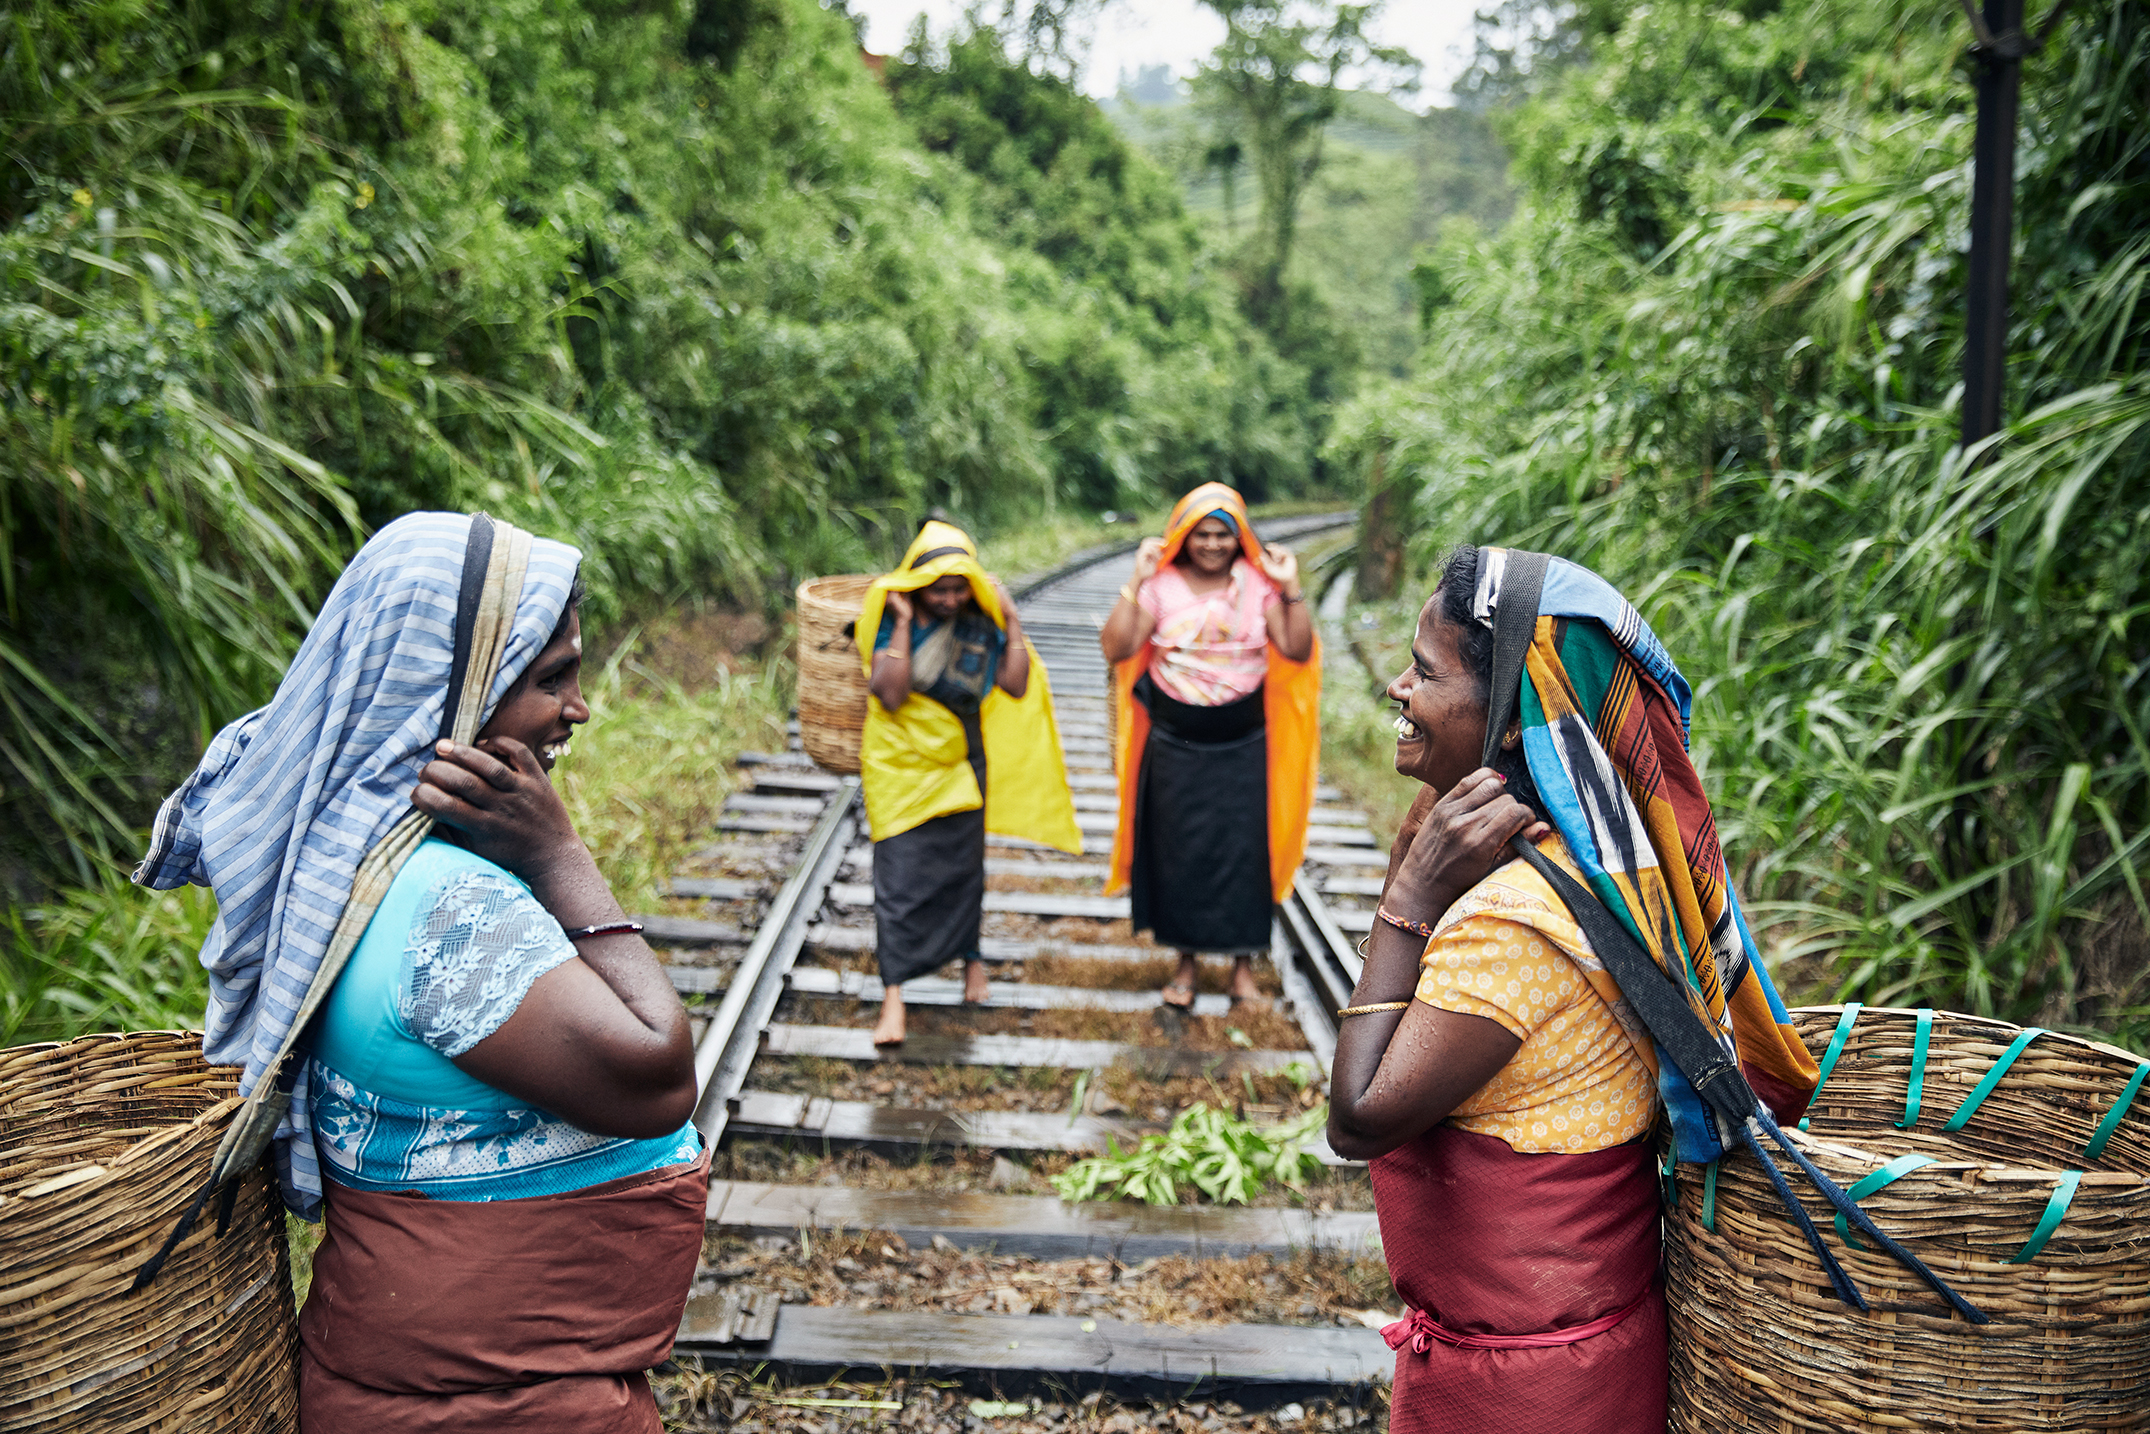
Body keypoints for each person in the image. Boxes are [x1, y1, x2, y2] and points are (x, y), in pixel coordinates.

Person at [135, 513, 705, 1432]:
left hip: (448, 1383)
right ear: (452, 692)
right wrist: (561, 856)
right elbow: (658, 1079)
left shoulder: (345, 864)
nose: (579, 707)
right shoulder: (446, 908)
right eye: (550, 677)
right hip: (497, 1402)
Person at [1324, 544, 1820, 1434]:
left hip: (1518, 1389)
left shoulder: (1511, 922)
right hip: (1593, 1352)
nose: (1399, 689)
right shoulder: (1608, 866)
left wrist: (1408, 900)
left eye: (1424, 672)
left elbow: (1358, 1116)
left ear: (1512, 720)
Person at [855, 519, 1081, 1047]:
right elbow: (889, 694)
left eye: (960, 588)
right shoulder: (890, 617)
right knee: (898, 878)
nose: (951, 599)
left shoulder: (981, 623)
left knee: (963, 869)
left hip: (962, 758)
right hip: (901, 763)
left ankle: (971, 961)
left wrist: (1012, 619)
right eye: (939, 589)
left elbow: (1016, 684)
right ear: (917, 585)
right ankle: (894, 995)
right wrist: (904, 622)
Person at [1099, 483, 1319, 1009]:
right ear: (1183, 536)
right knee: (1178, 852)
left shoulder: (1258, 586)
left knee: (1247, 853)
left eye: (1223, 534)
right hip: (1174, 742)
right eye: (1202, 534)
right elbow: (1117, 647)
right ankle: (1186, 966)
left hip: (1244, 741)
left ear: (1240, 537)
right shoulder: (1160, 587)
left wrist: (1290, 587)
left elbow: (1296, 648)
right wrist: (1136, 578)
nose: (1213, 544)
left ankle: (1243, 969)